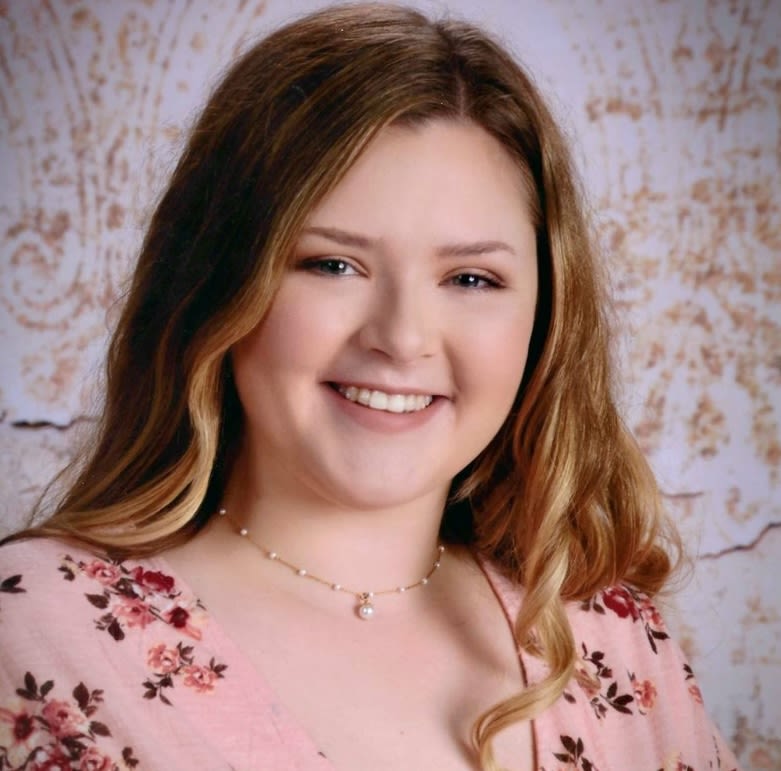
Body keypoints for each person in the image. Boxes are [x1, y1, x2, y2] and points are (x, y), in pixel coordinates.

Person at [0, 4, 741, 770]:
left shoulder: (608, 639)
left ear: (545, 316)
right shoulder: (40, 633)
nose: (402, 336)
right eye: (332, 264)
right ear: (216, 284)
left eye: (471, 277)